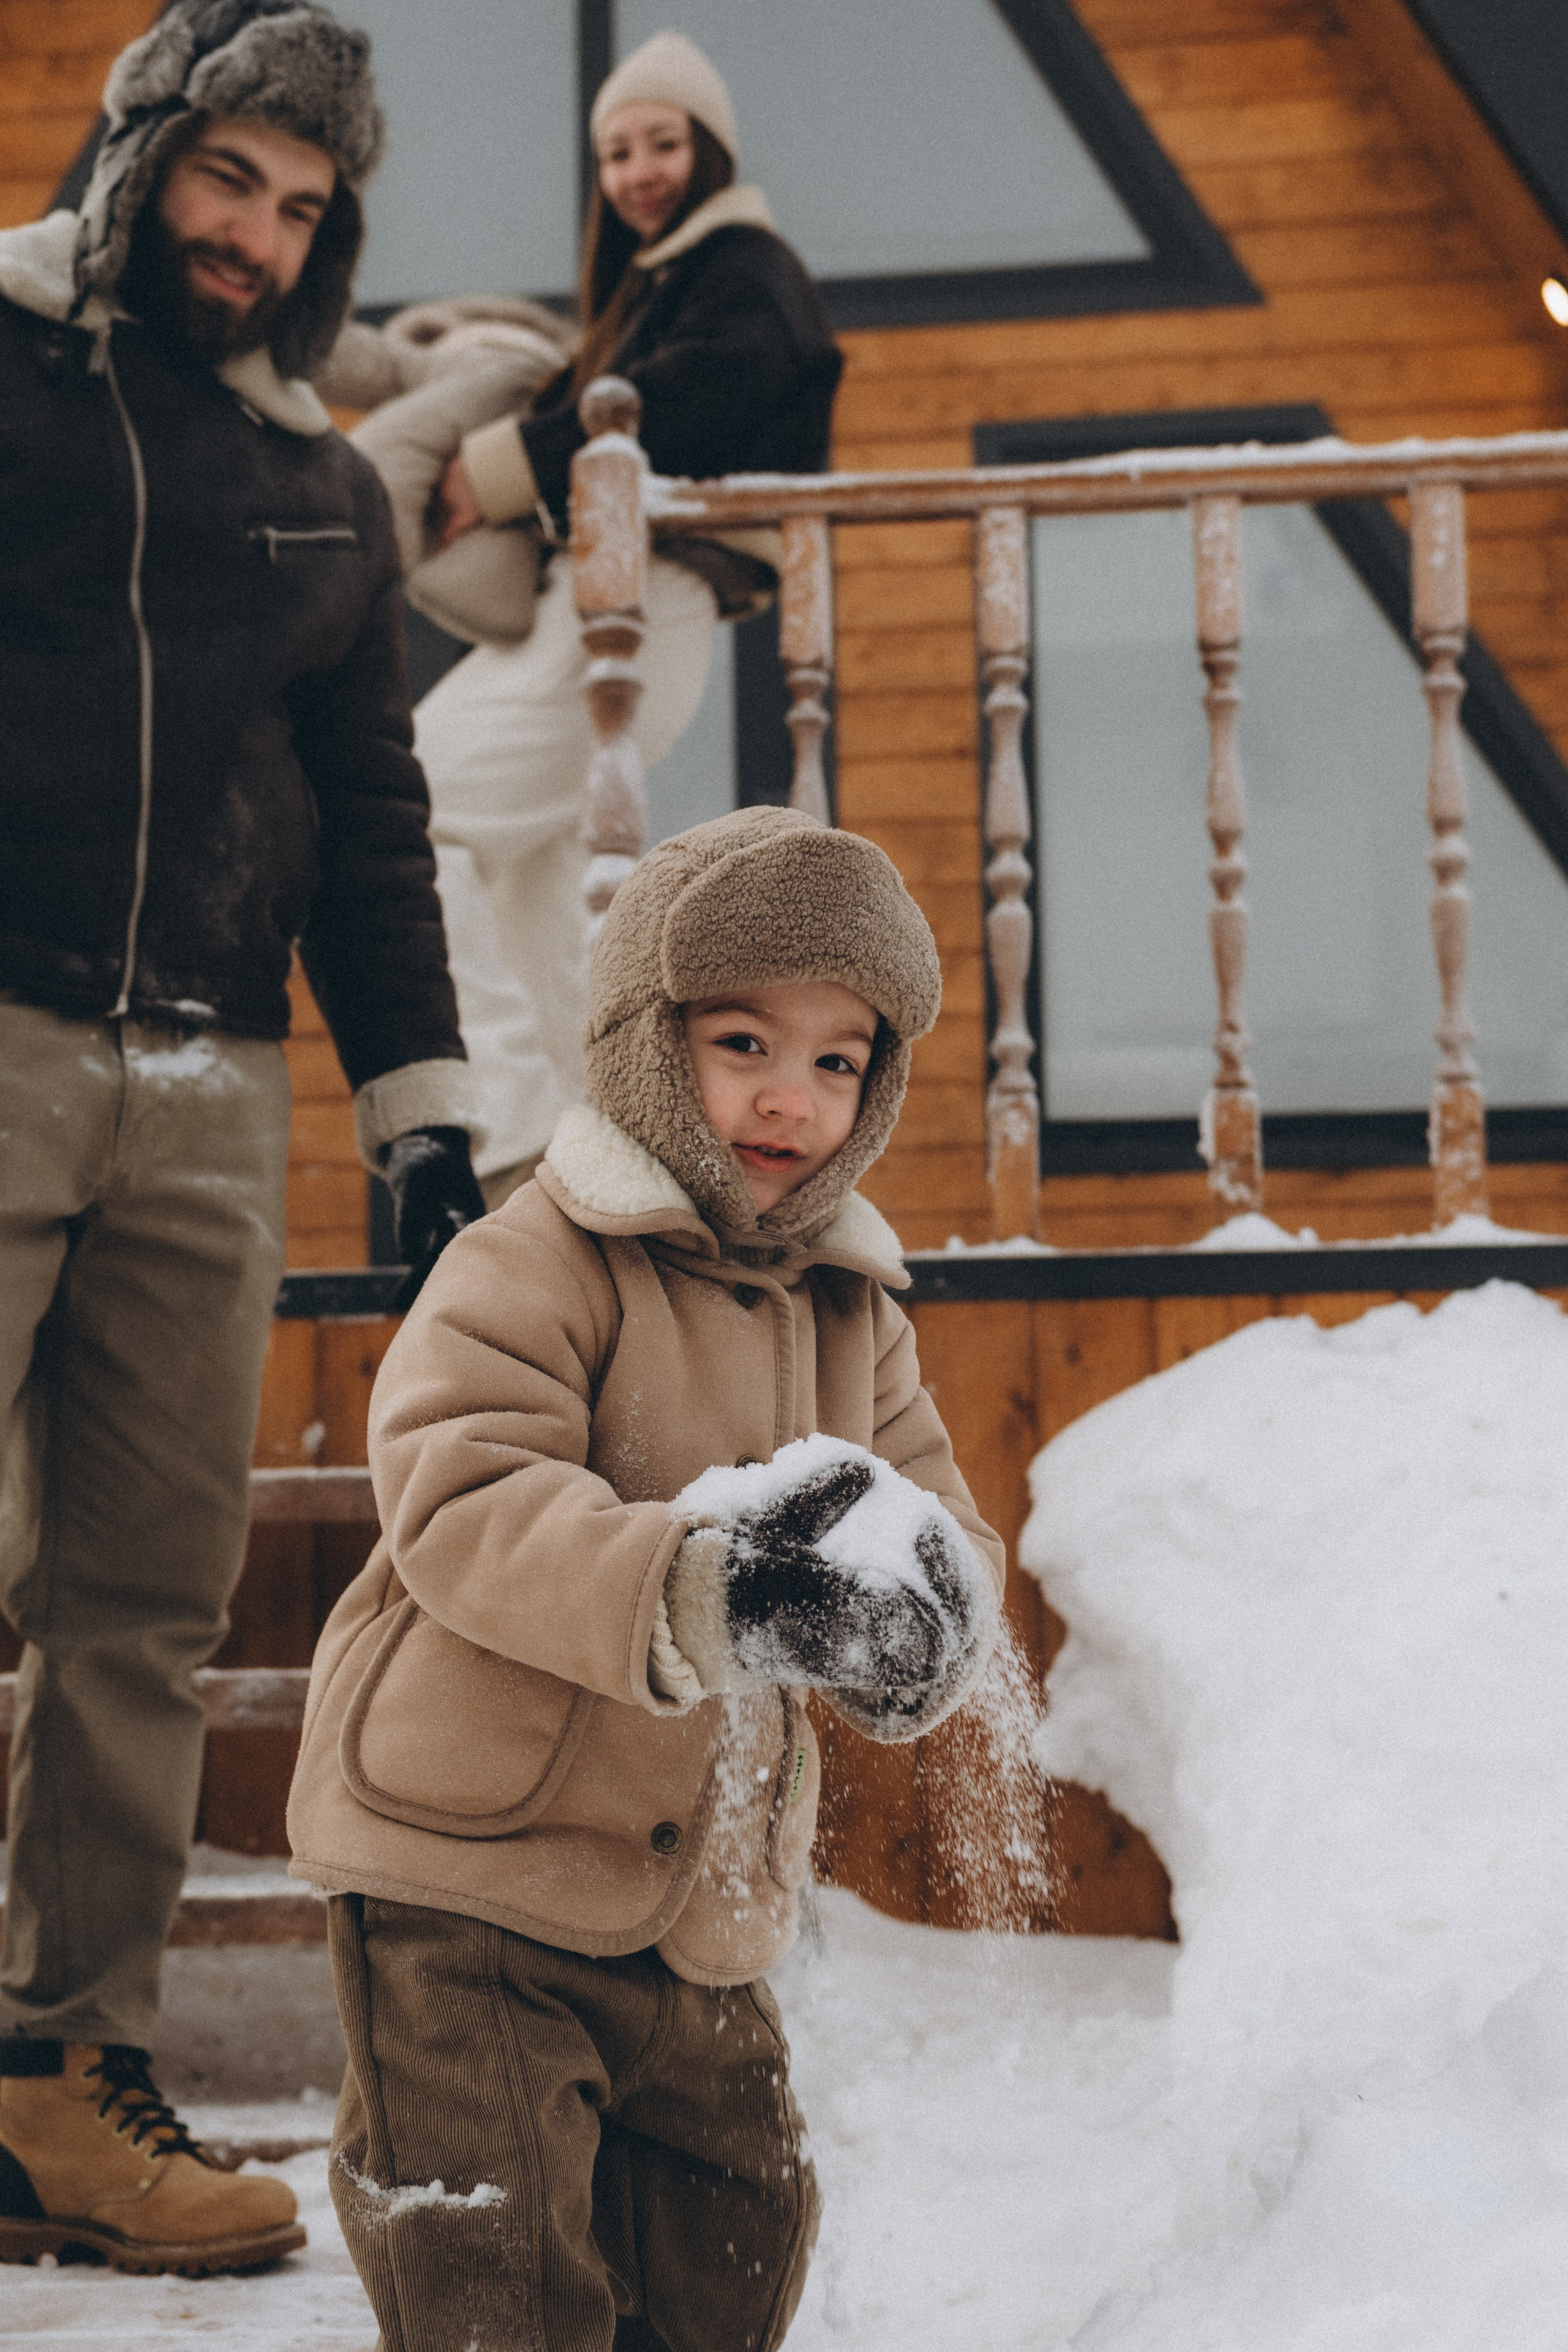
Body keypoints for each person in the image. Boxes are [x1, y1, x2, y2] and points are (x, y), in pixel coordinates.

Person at [287, 805, 1005, 2352]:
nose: (788, 1097)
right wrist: (710, 1593)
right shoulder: (533, 1256)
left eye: (837, 1060)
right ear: (638, 1037)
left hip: (701, 1903)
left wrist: (917, 1618)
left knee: (731, 2234)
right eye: (742, 1039)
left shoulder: (850, 1308)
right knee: (494, 2268)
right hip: (469, 1868)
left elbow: (936, 1514)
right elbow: (461, 1490)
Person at [0, 0, 486, 2277]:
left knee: (145, 1610)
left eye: (304, 209)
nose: (258, 237)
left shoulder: (324, 475)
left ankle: (58, 2080)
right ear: (144, 152)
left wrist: (419, 1111)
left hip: (207, 1092)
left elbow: (375, 818)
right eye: (233, 182)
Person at [413, 30, 845, 1207]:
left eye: (663, 142)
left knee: (409, 809)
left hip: (644, 607)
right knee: (534, 871)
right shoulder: (662, 280)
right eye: (617, 151)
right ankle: (615, 1139)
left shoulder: (741, 267)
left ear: (709, 150)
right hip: (610, 611)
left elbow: (709, 393)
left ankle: (509, 1138)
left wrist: (502, 465)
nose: (641, 170)